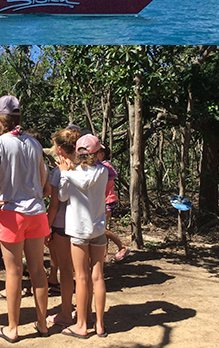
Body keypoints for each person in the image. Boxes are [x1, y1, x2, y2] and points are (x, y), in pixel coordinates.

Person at [0, 95, 50, 342]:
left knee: (13, 272)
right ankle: (42, 324)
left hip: (10, 214)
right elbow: (43, 181)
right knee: (38, 270)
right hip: (37, 213)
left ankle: (13, 327)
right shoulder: (34, 144)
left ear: (0, 119)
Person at [57, 133, 115, 338]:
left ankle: (82, 324)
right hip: (98, 230)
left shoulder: (71, 173)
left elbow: (62, 196)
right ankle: (99, 323)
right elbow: (83, 183)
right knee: (98, 276)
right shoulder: (102, 171)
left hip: (79, 231)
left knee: (80, 277)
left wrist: (64, 173)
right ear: (96, 153)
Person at [45, 129, 77, 329]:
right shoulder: (85, 168)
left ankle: (66, 312)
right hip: (82, 227)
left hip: (62, 225)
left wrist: (46, 227)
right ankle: (83, 312)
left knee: (65, 271)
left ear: (58, 149)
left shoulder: (58, 172)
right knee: (81, 272)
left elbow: (54, 204)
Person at [100, 148, 128, 261]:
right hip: (102, 201)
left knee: (101, 229)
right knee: (103, 228)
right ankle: (105, 255)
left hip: (108, 200)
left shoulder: (105, 166)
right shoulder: (101, 165)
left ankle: (122, 247)